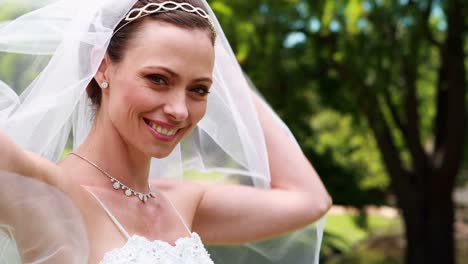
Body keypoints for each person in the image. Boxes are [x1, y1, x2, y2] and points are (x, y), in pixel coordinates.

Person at [0, 0, 331, 263]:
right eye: (158, 79)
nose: (180, 110)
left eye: (199, 89)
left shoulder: (182, 202)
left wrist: (225, 71)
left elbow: (310, 200)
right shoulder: (50, 194)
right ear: (102, 65)